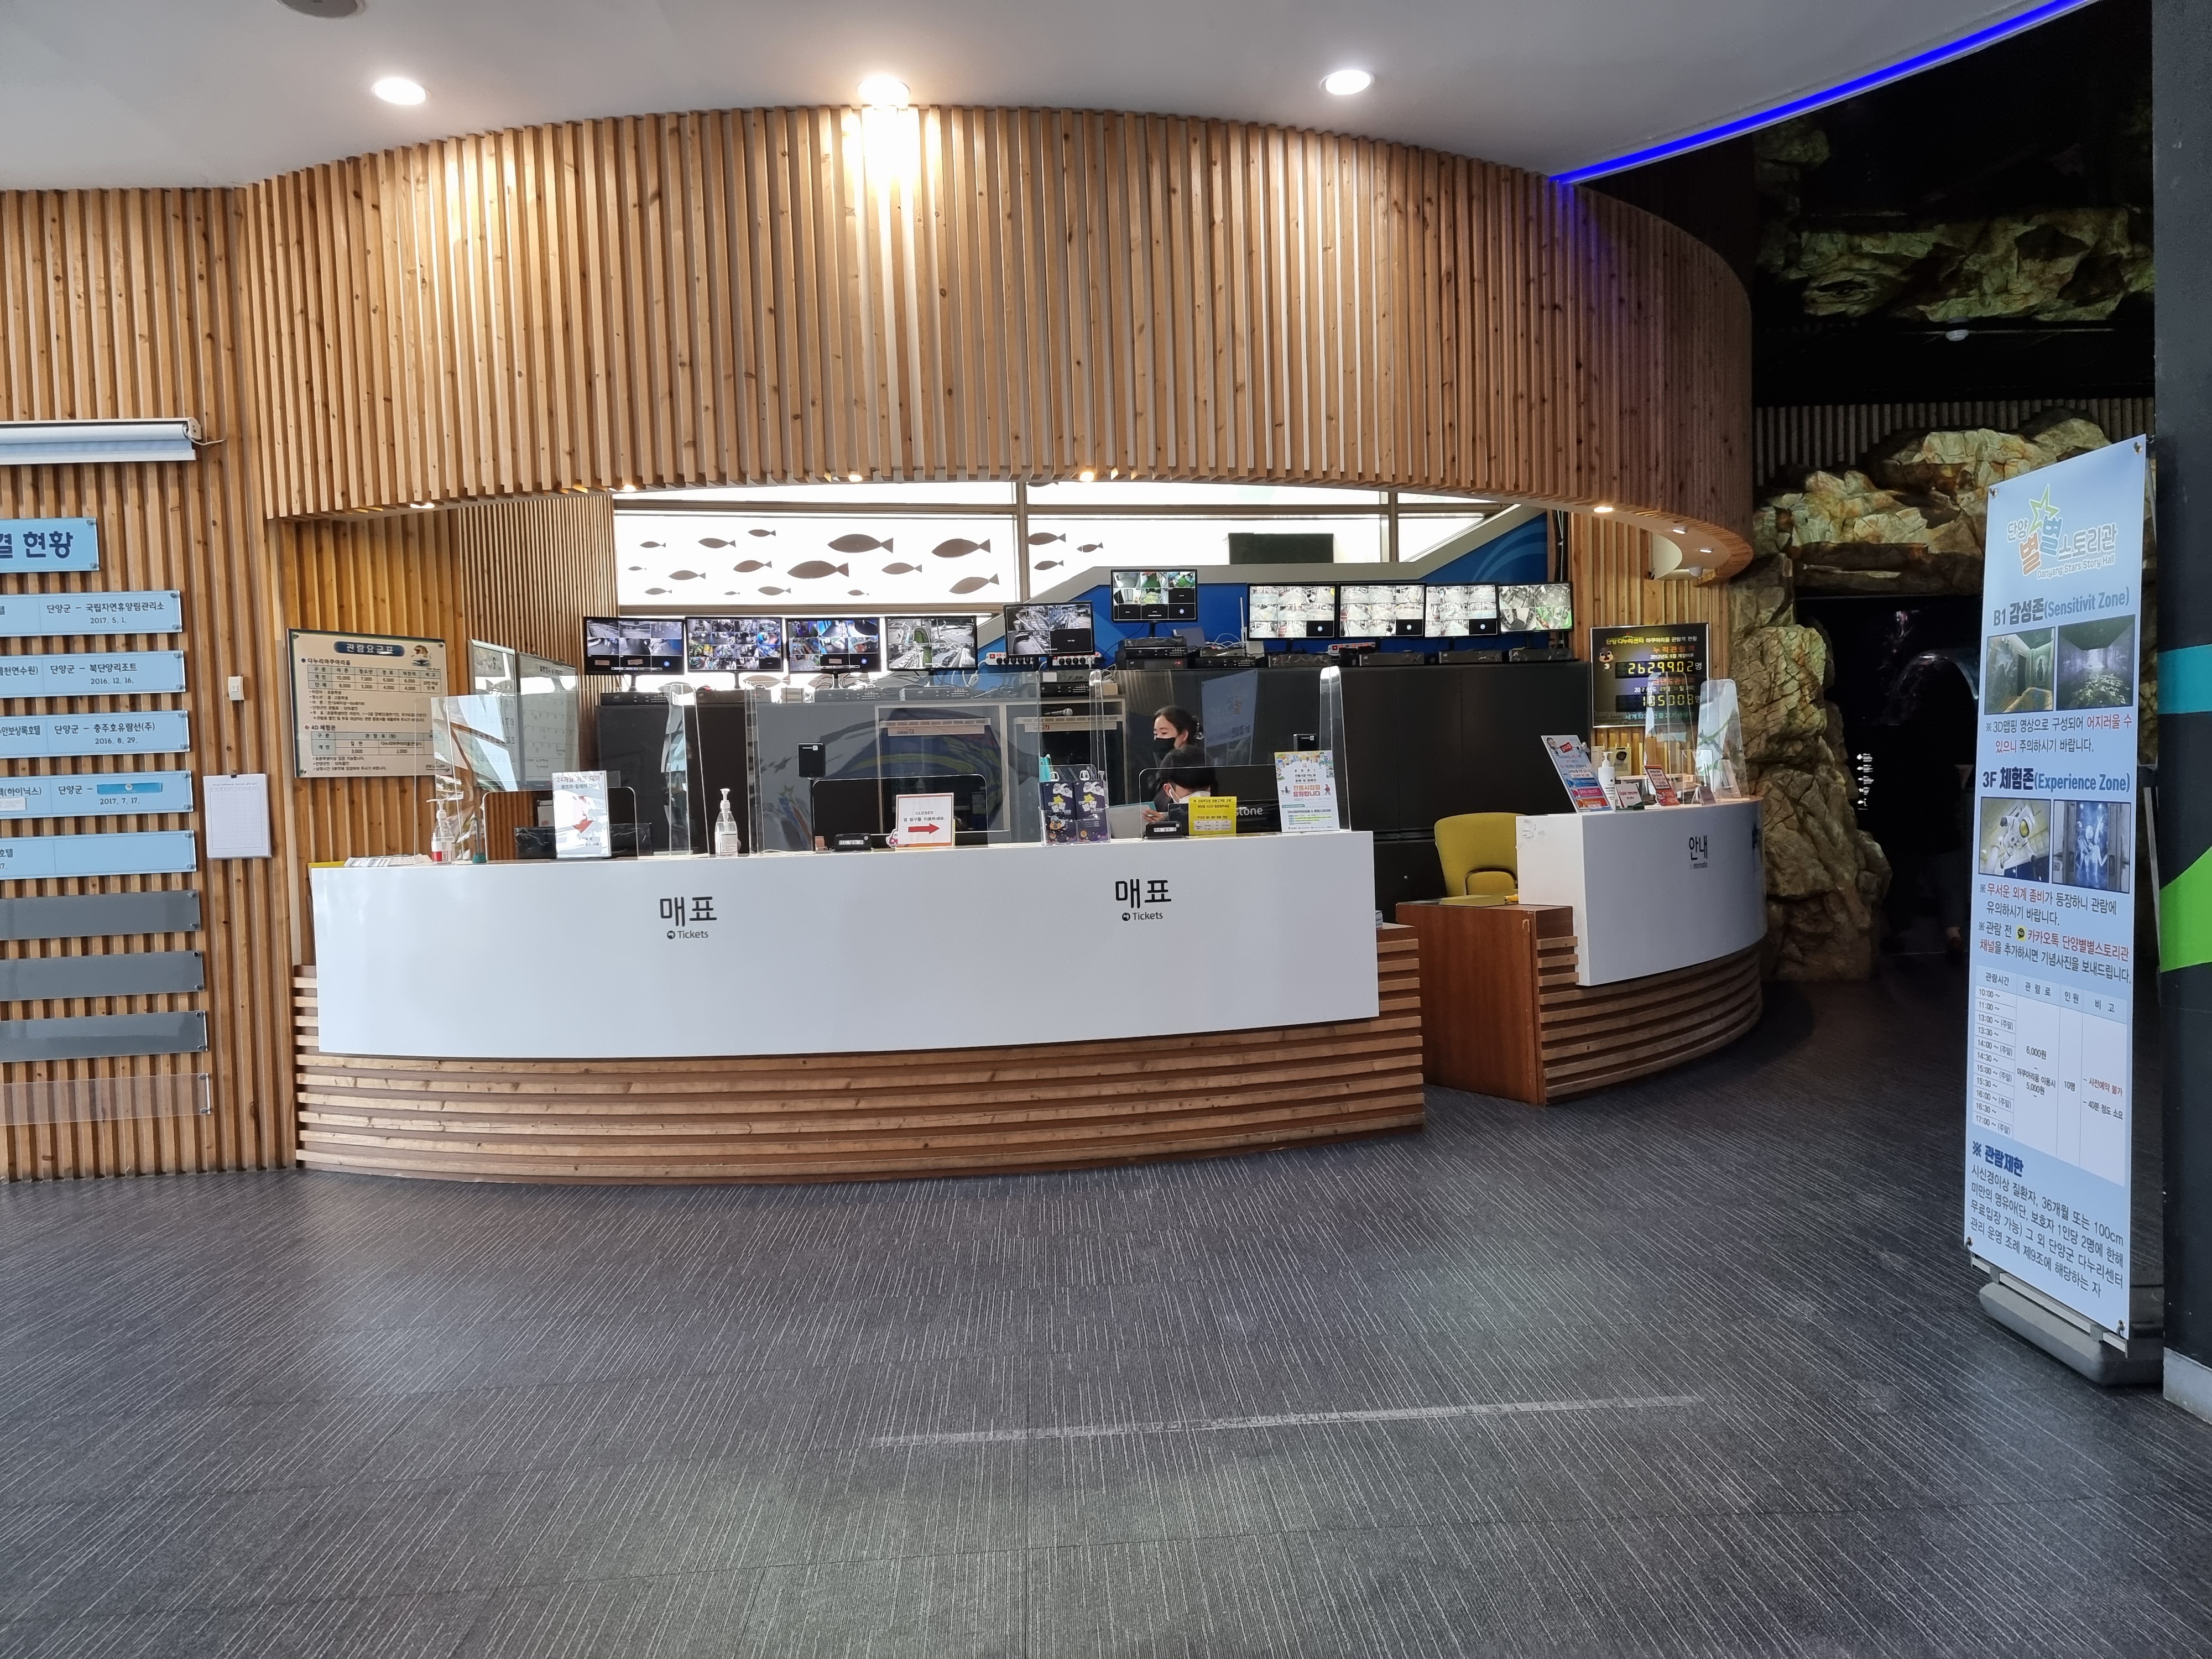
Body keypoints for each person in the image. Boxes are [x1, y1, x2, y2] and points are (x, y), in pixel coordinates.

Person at [1144, 744, 1217, 824]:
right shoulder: (1161, 808)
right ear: (1169, 790)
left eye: (1205, 789)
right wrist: (1168, 825)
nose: (1199, 797)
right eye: (1191, 791)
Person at [1150, 707, 1201, 809]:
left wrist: (1166, 817)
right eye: (1156, 734)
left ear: (1184, 736)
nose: (1158, 738)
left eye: (1164, 733)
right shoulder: (1159, 775)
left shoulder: (1198, 771)